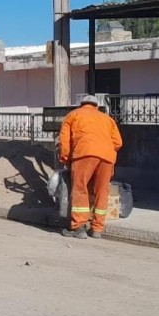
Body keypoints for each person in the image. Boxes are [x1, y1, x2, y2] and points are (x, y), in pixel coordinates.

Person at [58, 95, 123, 239]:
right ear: (97, 106)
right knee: (101, 191)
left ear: (81, 104)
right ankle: (97, 229)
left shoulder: (73, 115)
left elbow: (64, 141)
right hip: (107, 157)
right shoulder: (108, 119)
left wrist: (65, 159)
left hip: (84, 154)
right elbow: (118, 142)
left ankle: (78, 227)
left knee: (80, 189)